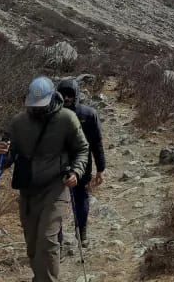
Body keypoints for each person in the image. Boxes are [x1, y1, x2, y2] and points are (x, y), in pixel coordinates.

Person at [0, 76, 89, 282]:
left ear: (52, 98)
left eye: (41, 105)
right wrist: (1, 153)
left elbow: (82, 148)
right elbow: (4, 161)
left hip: (56, 185)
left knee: (47, 239)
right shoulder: (18, 123)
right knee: (33, 245)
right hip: (28, 190)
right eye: (33, 105)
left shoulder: (66, 119)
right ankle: (40, 277)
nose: (37, 109)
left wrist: (76, 172)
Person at [56, 77, 106, 248]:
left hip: (74, 163)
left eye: (70, 94)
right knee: (68, 199)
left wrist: (101, 168)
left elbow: (96, 143)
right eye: (64, 94)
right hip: (67, 163)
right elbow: (97, 143)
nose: (67, 98)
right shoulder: (88, 113)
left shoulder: (87, 114)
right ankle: (69, 236)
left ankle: (78, 232)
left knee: (78, 198)